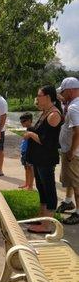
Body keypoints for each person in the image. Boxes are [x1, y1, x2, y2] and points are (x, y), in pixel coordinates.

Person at [25, 85, 63, 233]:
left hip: (46, 159)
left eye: (39, 95)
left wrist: (30, 135)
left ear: (47, 97)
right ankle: (42, 216)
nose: (37, 98)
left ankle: (47, 225)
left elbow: (47, 141)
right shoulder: (45, 112)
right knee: (41, 188)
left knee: (49, 189)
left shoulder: (54, 114)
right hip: (38, 158)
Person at [56, 77, 79, 224]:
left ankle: (78, 212)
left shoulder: (74, 107)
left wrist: (71, 151)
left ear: (70, 91)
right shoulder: (73, 105)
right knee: (70, 180)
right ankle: (68, 201)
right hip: (72, 151)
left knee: (76, 183)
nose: (62, 95)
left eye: (63, 92)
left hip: (74, 153)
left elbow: (78, 131)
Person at [18, 113, 34, 190]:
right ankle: (26, 183)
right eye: (21, 122)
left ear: (30, 121)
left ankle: (30, 186)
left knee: (30, 168)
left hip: (29, 152)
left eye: (24, 121)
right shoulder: (28, 129)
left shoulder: (32, 129)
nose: (22, 123)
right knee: (26, 168)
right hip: (24, 152)